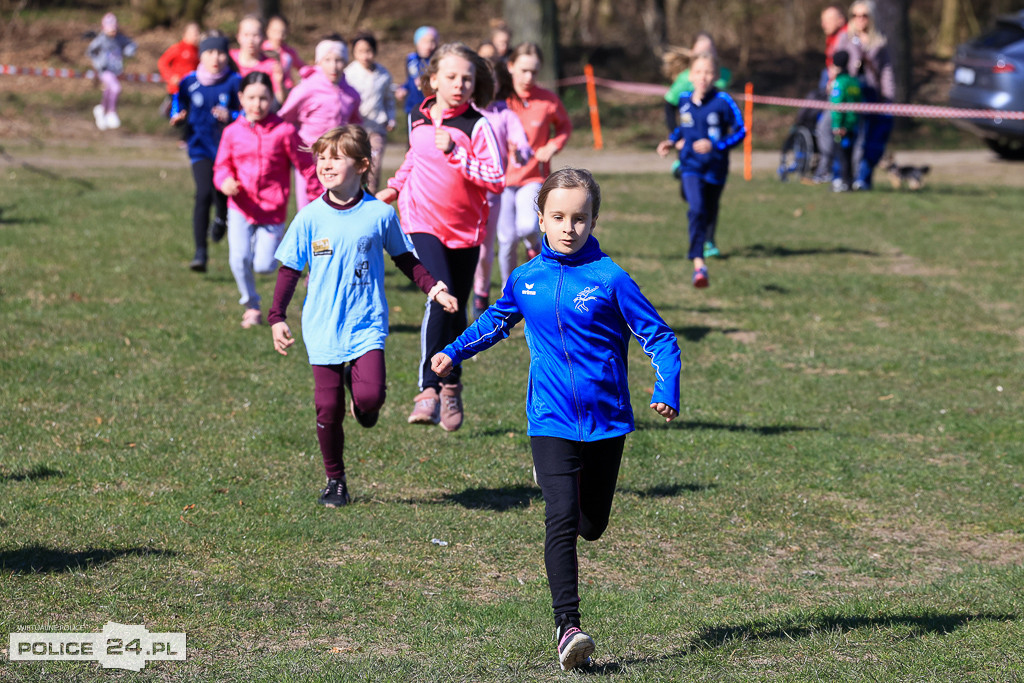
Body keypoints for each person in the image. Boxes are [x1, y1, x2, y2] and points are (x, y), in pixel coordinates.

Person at [431, 168, 681, 672]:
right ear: (541, 219)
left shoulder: (611, 278)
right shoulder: (526, 279)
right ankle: (568, 626)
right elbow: (496, 320)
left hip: (607, 420)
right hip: (549, 417)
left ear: (594, 220)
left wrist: (666, 387)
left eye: (580, 218)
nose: (569, 227)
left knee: (591, 525)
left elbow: (660, 336)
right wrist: (453, 351)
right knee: (561, 517)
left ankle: (567, 491)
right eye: (559, 217)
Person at [270, 125, 458, 507]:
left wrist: (435, 288)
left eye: (336, 158)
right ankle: (335, 479)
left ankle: (362, 400)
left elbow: (405, 259)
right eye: (321, 158)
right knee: (328, 408)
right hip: (322, 326)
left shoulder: (379, 214)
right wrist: (277, 317)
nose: (325, 164)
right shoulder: (309, 217)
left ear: (361, 165)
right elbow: (289, 269)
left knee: (370, 399)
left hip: (366, 322)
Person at [376, 42, 504, 432]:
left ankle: (451, 385)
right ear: (433, 79)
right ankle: (428, 389)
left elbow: (496, 179)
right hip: (421, 218)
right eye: (451, 77)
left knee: (457, 309)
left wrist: (457, 154)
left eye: (467, 78)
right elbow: (414, 158)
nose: (459, 84)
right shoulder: (417, 115)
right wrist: (394, 187)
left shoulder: (478, 125)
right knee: (440, 294)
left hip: (465, 229)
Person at [213, 71, 307, 329]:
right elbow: (221, 166)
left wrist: (323, 190)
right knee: (238, 259)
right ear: (241, 98)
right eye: (251, 98)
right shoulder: (232, 132)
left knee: (264, 266)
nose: (257, 104)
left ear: (272, 99)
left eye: (264, 98)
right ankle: (251, 305)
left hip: (272, 209)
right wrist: (224, 182)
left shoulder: (285, 131)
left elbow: (306, 165)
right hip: (240, 206)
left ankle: (266, 251)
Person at [656, 52, 746, 288]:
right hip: (691, 165)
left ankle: (705, 246)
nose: (703, 77)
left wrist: (715, 145)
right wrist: (670, 141)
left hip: (716, 168)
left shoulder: (724, 101)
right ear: (690, 76)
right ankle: (699, 264)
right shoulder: (684, 100)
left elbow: (741, 130)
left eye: (708, 72)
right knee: (696, 209)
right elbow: (683, 130)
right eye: (698, 72)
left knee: (709, 210)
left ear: (716, 76)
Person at [499, 42, 572, 284]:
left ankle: (534, 248)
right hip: (500, 179)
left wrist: (553, 145)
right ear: (510, 66)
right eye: (524, 70)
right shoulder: (500, 100)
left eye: (534, 71)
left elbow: (564, 127)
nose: (529, 77)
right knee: (507, 240)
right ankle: (509, 291)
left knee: (528, 227)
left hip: (533, 176)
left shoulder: (547, 100)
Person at [169, 34, 241, 272]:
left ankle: (221, 217)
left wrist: (230, 116)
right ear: (201, 56)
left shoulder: (235, 82)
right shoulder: (189, 81)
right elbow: (178, 103)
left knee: (220, 192)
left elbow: (247, 112)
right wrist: (177, 116)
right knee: (203, 194)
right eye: (210, 53)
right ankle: (200, 252)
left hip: (227, 151)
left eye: (220, 53)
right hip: (199, 147)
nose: (215, 58)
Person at [662, 32, 731, 258]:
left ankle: (709, 241)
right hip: (691, 150)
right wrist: (676, 138)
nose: (706, 54)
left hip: (715, 153)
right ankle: (683, 173)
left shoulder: (723, 76)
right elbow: (669, 105)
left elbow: (726, 113)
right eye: (701, 50)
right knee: (696, 199)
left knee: (712, 199)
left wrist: (721, 140)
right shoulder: (685, 79)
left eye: (710, 50)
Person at [472, 59, 532, 318]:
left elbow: (522, 143)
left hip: (493, 194)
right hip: (466, 195)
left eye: (492, 80)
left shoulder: (505, 114)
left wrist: (521, 153)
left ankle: (483, 296)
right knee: (472, 251)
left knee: (488, 250)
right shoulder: (468, 112)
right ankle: (466, 294)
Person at [278, 38, 362, 208]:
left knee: (334, 204)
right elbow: (285, 116)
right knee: (307, 206)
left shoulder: (351, 93)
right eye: (327, 60)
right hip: (307, 156)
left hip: (338, 157)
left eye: (339, 60)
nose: (334, 66)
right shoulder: (306, 88)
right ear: (318, 62)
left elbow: (355, 123)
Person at [836, 0, 895, 190]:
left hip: (871, 94)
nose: (860, 19)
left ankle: (863, 179)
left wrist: (887, 97)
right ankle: (842, 177)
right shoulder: (845, 38)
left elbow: (886, 71)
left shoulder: (879, 41)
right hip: (849, 95)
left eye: (864, 15)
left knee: (870, 139)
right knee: (845, 135)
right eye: (855, 15)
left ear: (871, 18)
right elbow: (835, 64)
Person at [344, 31, 397, 194]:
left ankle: (370, 198)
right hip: (354, 129)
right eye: (360, 51)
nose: (365, 55)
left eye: (368, 51)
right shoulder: (348, 74)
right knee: (353, 165)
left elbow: (389, 99)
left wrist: (391, 118)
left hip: (377, 127)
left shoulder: (383, 74)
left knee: (373, 167)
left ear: (374, 51)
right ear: (354, 52)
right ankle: (351, 198)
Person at [813, 4, 849, 183]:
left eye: (827, 20)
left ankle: (829, 170)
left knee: (827, 128)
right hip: (834, 87)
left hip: (842, 92)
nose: (823, 24)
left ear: (840, 20)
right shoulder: (833, 38)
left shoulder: (845, 37)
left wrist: (834, 82)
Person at [87, 12, 137, 131]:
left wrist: (129, 51)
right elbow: (90, 51)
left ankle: (101, 109)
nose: (112, 32)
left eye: (113, 29)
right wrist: (98, 62)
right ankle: (111, 112)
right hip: (104, 70)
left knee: (108, 91)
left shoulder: (119, 39)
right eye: (110, 29)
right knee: (115, 88)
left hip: (116, 70)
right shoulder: (101, 39)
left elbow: (132, 44)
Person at [230, 15, 286, 104]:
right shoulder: (229, 58)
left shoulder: (271, 65)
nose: (250, 40)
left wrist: (280, 83)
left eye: (255, 35)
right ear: (238, 37)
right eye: (246, 35)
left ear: (263, 38)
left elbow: (279, 100)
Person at [828, 50, 862, 192]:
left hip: (841, 126)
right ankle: (850, 181)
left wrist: (837, 125)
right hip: (853, 123)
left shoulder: (839, 83)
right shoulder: (854, 81)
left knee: (841, 155)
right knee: (850, 155)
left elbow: (836, 106)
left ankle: (843, 182)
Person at [157, 22, 200, 119]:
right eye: (194, 33)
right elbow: (162, 62)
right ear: (185, 34)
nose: (196, 36)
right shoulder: (178, 48)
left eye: (198, 33)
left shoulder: (198, 51)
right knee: (175, 114)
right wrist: (171, 77)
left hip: (192, 89)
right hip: (177, 89)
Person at [400, 26, 438, 119]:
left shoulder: (437, 61)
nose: (428, 45)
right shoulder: (411, 59)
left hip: (430, 106)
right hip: (412, 106)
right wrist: (403, 88)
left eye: (432, 41)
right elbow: (410, 80)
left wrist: (426, 82)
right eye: (424, 41)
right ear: (416, 42)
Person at [262, 15, 305, 93]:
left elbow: (303, 67)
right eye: (275, 31)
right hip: (266, 90)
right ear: (267, 30)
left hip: (287, 90)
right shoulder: (261, 50)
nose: (279, 36)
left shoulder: (290, 52)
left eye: (283, 32)